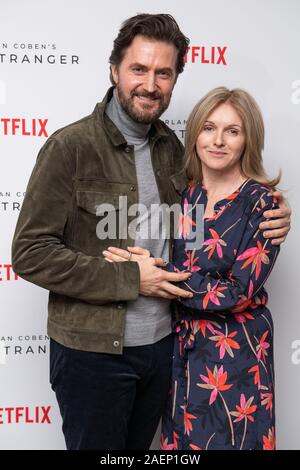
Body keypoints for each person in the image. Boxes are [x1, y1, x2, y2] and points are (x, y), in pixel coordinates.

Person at [11, 14, 290, 451]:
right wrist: (129, 279)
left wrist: (273, 210)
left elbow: (218, 211)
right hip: (94, 353)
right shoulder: (70, 147)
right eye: (139, 69)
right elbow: (30, 252)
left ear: (175, 79)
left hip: (166, 349)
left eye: (164, 72)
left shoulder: (171, 149)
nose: (150, 84)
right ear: (114, 70)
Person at [105, 87, 283, 450]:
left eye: (232, 131)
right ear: (195, 134)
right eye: (209, 128)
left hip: (235, 358)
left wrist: (155, 271)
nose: (218, 140)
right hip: (179, 353)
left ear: (249, 139)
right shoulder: (185, 194)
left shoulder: (262, 203)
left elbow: (235, 293)